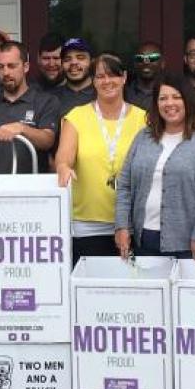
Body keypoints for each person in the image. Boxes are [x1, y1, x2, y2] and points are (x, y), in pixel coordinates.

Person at [115, 76, 195, 260]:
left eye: (176, 97)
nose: (169, 103)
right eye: (163, 98)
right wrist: (122, 226)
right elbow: (125, 186)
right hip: (144, 239)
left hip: (192, 245)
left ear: (188, 100)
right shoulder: (143, 137)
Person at [56, 53, 147, 262]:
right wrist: (63, 167)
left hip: (131, 222)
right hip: (87, 224)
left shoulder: (144, 119)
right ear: (93, 81)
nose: (107, 81)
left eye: (112, 75)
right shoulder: (76, 116)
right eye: (100, 77)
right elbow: (64, 158)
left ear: (124, 77)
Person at [0, 41, 60, 181]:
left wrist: (21, 128)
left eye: (12, 66)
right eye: (0, 67)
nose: (6, 72)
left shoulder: (45, 101)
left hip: (33, 193)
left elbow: (47, 140)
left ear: (26, 67)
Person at [53, 37, 96, 116]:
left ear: (92, 62)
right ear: (62, 64)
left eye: (80, 58)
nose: (73, 62)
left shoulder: (104, 94)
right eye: (67, 59)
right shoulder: (51, 98)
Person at [125, 41, 165, 111]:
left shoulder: (172, 93)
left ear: (162, 63)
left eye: (153, 58)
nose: (146, 62)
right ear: (135, 63)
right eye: (140, 58)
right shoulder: (123, 93)